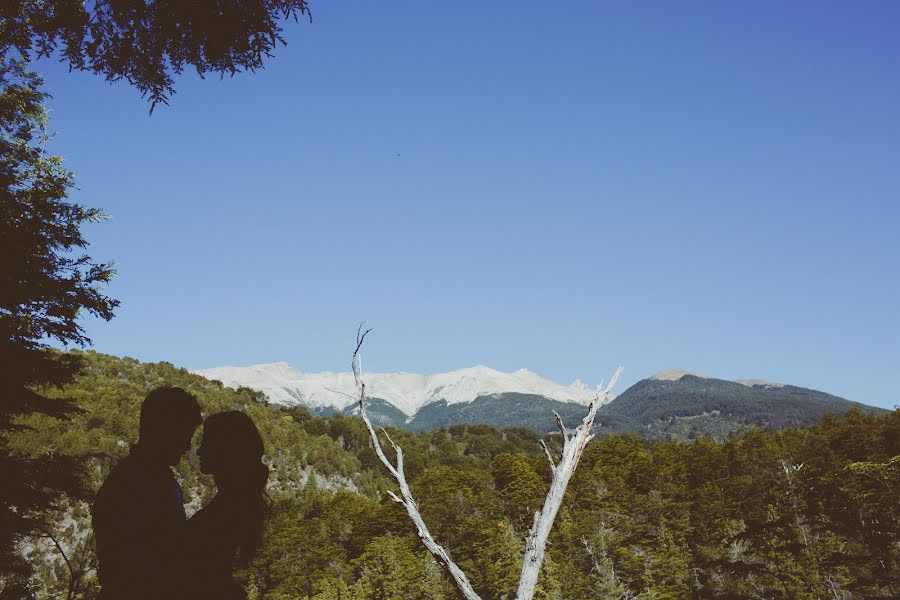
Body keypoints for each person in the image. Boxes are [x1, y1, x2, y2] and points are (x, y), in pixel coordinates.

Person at [92, 386, 202, 600]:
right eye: (184, 435)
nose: (187, 446)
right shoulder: (145, 485)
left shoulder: (131, 478)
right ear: (164, 431)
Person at [180, 411, 270, 599]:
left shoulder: (223, 513)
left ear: (226, 450)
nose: (199, 451)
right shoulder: (242, 503)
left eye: (206, 443)